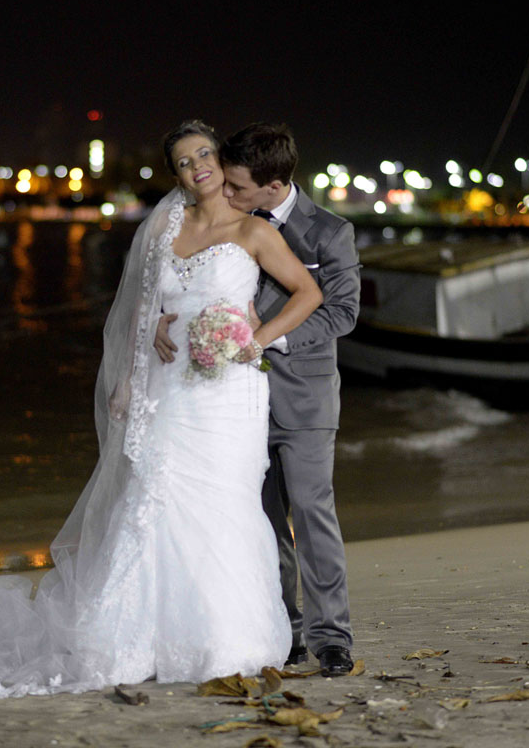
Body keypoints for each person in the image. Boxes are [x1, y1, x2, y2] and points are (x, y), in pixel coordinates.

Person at [0, 120, 322, 706]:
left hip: (228, 394)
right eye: (183, 161)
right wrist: (131, 372)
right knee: (155, 497)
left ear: (220, 158)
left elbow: (308, 293)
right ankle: (139, 638)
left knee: (223, 503)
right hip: (169, 387)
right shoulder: (165, 228)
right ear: (175, 173)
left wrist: (254, 340)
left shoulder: (254, 231)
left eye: (204, 153)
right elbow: (140, 304)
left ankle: (224, 637)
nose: (196, 166)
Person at [155, 123, 360, 677]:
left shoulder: (329, 232)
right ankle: (284, 631)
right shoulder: (225, 218)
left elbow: (341, 312)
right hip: (234, 403)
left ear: (272, 186)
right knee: (261, 521)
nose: (227, 191)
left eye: (239, 187)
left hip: (305, 397)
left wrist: (263, 337)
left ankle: (331, 637)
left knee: (313, 515)